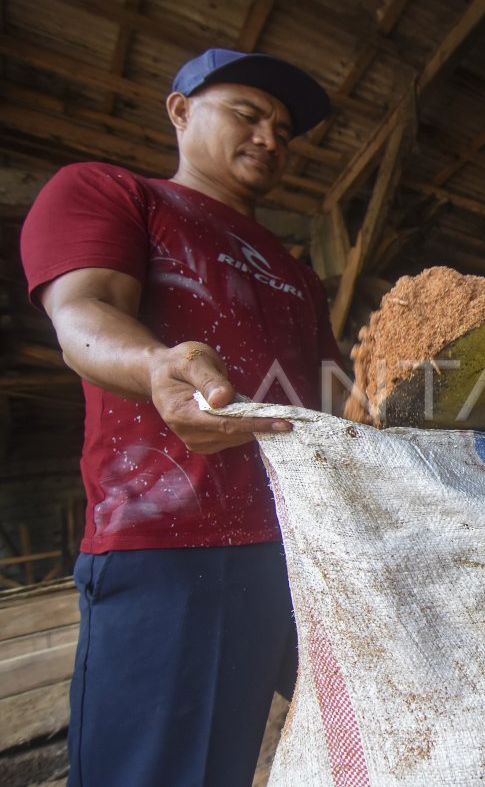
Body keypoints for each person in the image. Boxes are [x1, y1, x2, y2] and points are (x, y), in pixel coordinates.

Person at [20, 48, 341, 787]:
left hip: (301, 549)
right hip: (171, 546)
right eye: (247, 113)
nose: (269, 137)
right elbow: (84, 310)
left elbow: (331, 395)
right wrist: (154, 368)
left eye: (284, 130)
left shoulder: (297, 273)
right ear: (179, 110)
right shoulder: (114, 193)